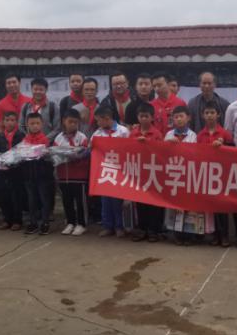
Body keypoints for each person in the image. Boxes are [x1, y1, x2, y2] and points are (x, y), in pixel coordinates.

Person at [197, 105, 234, 247]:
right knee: (211, 206)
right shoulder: (200, 135)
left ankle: (224, 235)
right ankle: (214, 235)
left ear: (218, 114)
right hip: (207, 174)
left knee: (222, 206)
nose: (209, 115)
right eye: (207, 113)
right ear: (202, 115)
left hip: (222, 175)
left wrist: (223, 146)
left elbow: (233, 152)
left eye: (212, 112)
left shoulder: (225, 134)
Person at [91, 105, 131, 238]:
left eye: (99, 120)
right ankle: (108, 226)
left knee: (117, 200)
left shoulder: (123, 131)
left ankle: (119, 226)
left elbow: (130, 149)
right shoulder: (97, 133)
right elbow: (92, 148)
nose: (98, 123)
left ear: (107, 118)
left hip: (120, 170)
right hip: (104, 171)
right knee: (105, 200)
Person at [129, 102, 166, 242]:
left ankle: (153, 230)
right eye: (141, 116)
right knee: (140, 202)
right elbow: (127, 150)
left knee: (153, 204)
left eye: (146, 116)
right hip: (139, 173)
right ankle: (142, 229)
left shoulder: (157, 134)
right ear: (137, 117)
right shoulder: (133, 133)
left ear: (152, 117)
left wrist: (148, 143)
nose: (144, 119)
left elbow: (161, 152)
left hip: (153, 173)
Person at [164, 106, 201, 245]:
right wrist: (168, 145)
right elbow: (162, 153)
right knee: (174, 206)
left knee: (188, 206)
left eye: (181, 116)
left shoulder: (193, 135)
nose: (179, 119)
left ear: (188, 118)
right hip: (173, 175)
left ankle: (189, 235)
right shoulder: (169, 135)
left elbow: (195, 154)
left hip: (188, 175)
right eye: (176, 117)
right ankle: (176, 234)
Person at [53, 109, 90, 236]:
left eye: (75, 122)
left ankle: (82, 224)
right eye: (70, 122)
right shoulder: (58, 138)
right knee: (67, 201)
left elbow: (85, 154)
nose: (73, 124)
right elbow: (55, 155)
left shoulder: (82, 137)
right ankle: (70, 222)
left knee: (80, 202)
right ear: (64, 121)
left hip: (79, 175)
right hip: (63, 175)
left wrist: (75, 155)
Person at [21, 112, 55, 235]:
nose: (35, 126)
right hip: (29, 175)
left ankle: (45, 222)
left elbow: (47, 158)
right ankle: (33, 222)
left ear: (42, 124)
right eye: (32, 123)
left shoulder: (45, 140)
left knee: (44, 199)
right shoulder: (25, 140)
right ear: (27, 125)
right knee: (31, 200)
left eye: (37, 123)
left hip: (43, 176)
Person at [0, 111, 25, 231]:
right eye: (7, 120)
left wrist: (16, 161)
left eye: (12, 120)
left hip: (17, 170)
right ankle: (7, 219)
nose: (9, 123)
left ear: (16, 122)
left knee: (16, 195)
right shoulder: (0, 136)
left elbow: (22, 152)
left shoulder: (21, 135)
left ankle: (17, 220)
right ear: (3, 122)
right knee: (4, 195)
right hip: (3, 170)